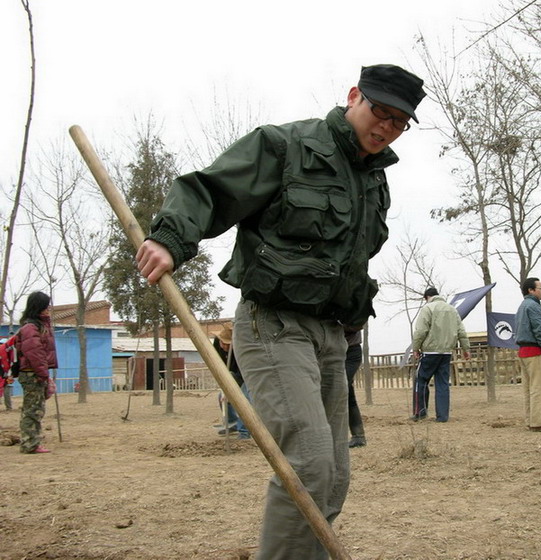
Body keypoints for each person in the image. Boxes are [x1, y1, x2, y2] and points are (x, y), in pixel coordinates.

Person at [135, 64, 425, 559]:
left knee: (333, 475)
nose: (387, 128)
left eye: (400, 122)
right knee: (309, 464)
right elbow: (209, 190)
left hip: (333, 336)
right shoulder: (286, 145)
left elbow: (352, 255)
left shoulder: (374, 181)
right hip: (275, 325)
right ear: (354, 96)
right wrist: (169, 239)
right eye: (380, 112)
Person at [411, 287, 471, 423]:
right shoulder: (452, 310)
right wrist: (466, 348)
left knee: (420, 380)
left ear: (427, 297)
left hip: (430, 351)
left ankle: (420, 412)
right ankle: (442, 416)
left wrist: (416, 348)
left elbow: (421, 330)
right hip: (446, 352)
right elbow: (461, 330)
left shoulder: (427, 308)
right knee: (442, 383)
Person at [16, 292, 58, 454]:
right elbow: (35, 354)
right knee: (33, 409)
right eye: (45, 306)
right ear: (39, 307)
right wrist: (43, 374)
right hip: (32, 373)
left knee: (36, 408)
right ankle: (29, 443)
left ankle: (32, 440)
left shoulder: (39, 326)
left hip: (36, 372)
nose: (48, 309)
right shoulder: (30, 328)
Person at [515, 277, 541, 432]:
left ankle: (531, 420)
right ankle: (538, 422)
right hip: (534, 350)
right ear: (531, 290)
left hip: (523, 351)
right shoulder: (533, 306)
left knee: (528, 388)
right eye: (539, 288)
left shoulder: (522, 306)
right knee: (538, 388)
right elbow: (539, 328)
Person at [213, 322, 251, 439]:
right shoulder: (216, 344)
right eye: (223, 343)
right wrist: (225, 390)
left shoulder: (242, 347)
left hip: (246, 373)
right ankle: (232, 423)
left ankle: (244, 431)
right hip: (230, 373)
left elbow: (244, 371)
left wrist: (233, 389)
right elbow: (218, 365)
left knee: (244, 400)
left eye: (228, 345)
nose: (225, 347)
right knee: (221, 397)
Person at [345, 328, 366, 448]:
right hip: (331, 351)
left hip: (351, 350)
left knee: (341, 388)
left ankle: (358, 436)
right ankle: (358, 436)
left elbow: (357, 323)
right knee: (348, 394)